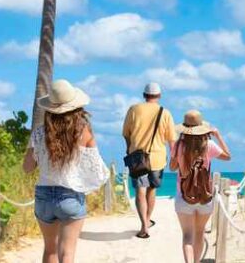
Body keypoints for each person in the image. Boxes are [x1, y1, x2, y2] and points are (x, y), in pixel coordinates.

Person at [23, 79, 109, 263]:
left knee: (50, 250)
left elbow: (27, 168)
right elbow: (97, 169)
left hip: (44, 196)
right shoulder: (83, 132)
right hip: (70, 196)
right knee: (67, 253)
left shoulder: (39, 133)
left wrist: (38, 151)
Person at [170, 110, 231, 263]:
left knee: (187, 236)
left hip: (183, 196)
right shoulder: (208, 145)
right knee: (199, 233)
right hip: (205, 197)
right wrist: (217, 135)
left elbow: (172, 167)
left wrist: (176, 156)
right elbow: (228, 156)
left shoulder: (178, 146)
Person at [121, 82, 176, 238]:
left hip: (138, 157)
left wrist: (129, 147)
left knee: (140, 190)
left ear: (144, 95)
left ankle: (144, 225)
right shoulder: (165, 113)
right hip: (157, 157)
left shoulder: (133, 109)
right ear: (159, 96)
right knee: (152, 189)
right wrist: (174, 158)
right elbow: (171, 139)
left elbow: (126, 133)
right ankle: (147, 220)